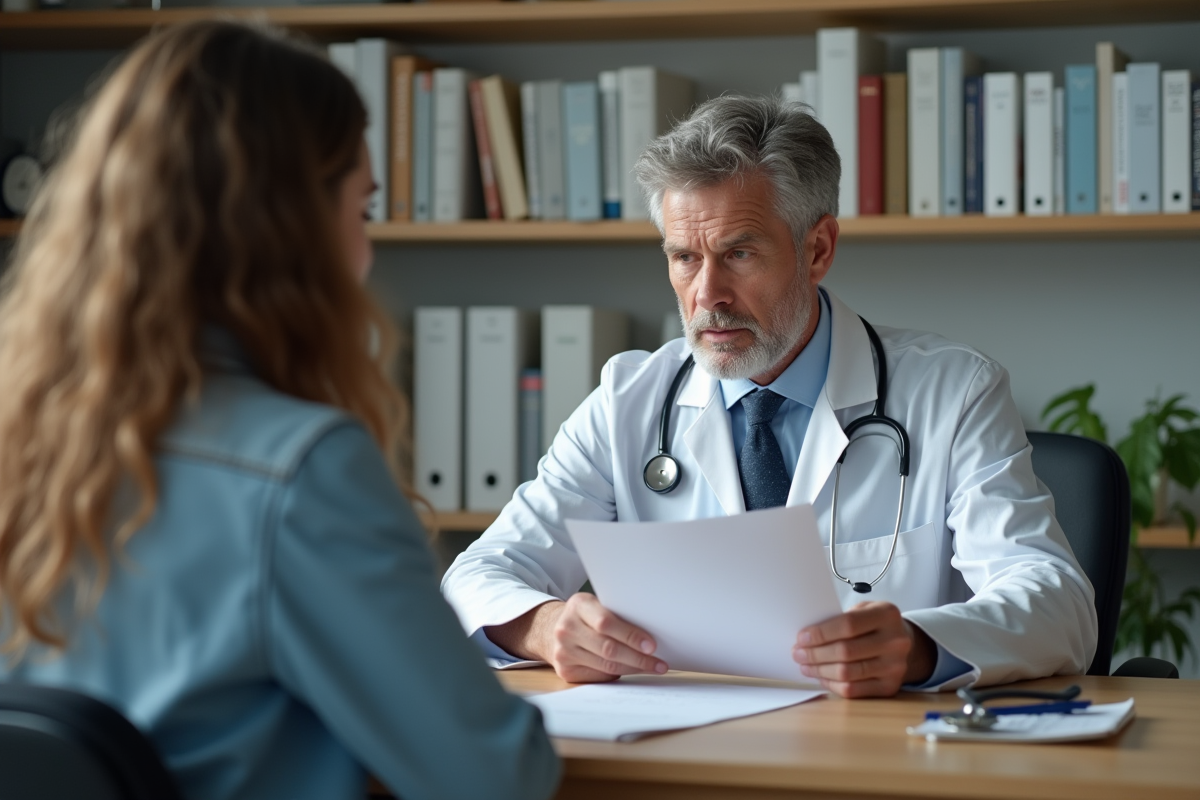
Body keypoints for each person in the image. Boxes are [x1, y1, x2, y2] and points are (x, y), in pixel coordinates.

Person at [0, 21, 559, 800]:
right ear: (288, 230)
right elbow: (495, 776)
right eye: (360, 211)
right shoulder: (300, 470)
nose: (366, 255)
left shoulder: (21, 439)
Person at [441, 95, 1098, 698]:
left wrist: (919, 646)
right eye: (684, 258)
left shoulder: (952, 392)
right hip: (687, 761)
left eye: (740, 253)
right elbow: (476, 576)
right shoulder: (628, 400)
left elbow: (1058, 603)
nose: (707, 296)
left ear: (817, 249)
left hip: (876, 759)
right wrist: (544, 626)